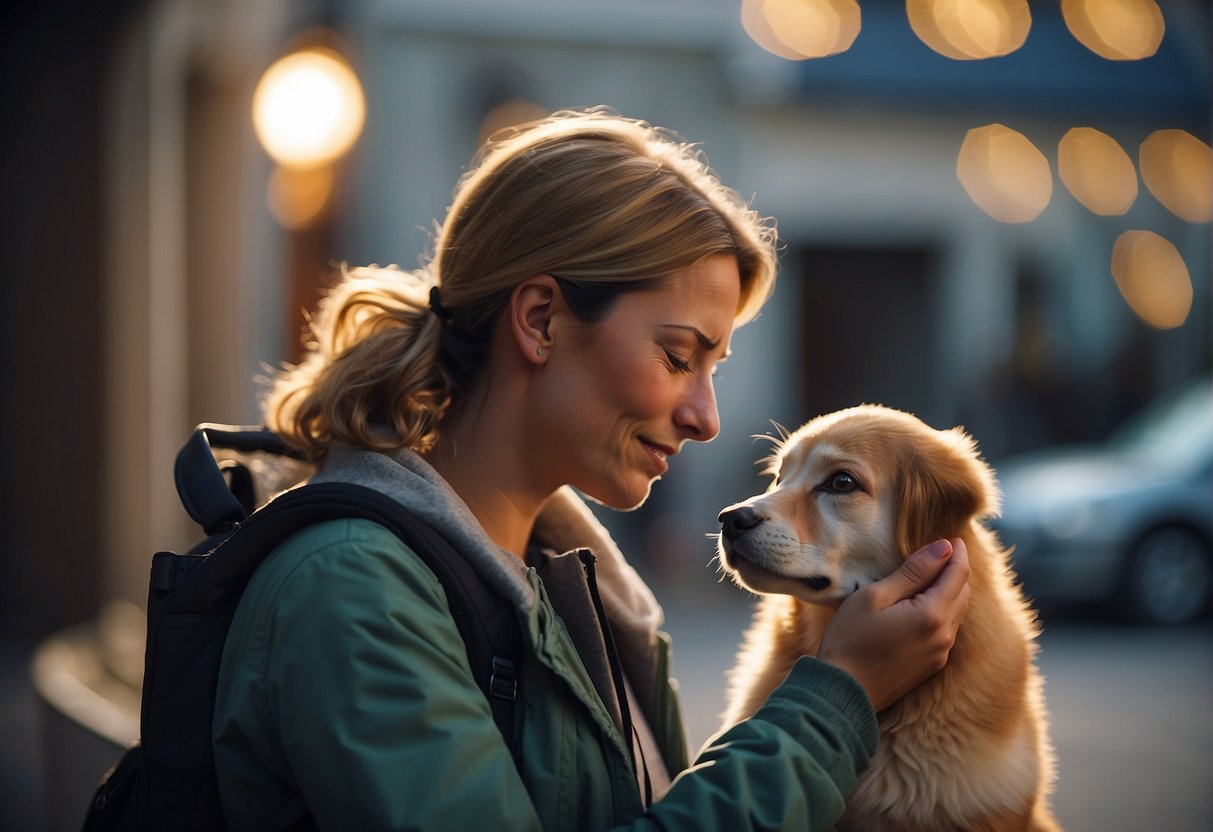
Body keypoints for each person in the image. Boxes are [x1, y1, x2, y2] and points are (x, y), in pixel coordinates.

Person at [212, 109, 971, 831]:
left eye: (711, 369)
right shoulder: (354, 590)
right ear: (540, 320)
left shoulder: (576, 591)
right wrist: (836, 702)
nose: (704, 418)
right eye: (678, 357)